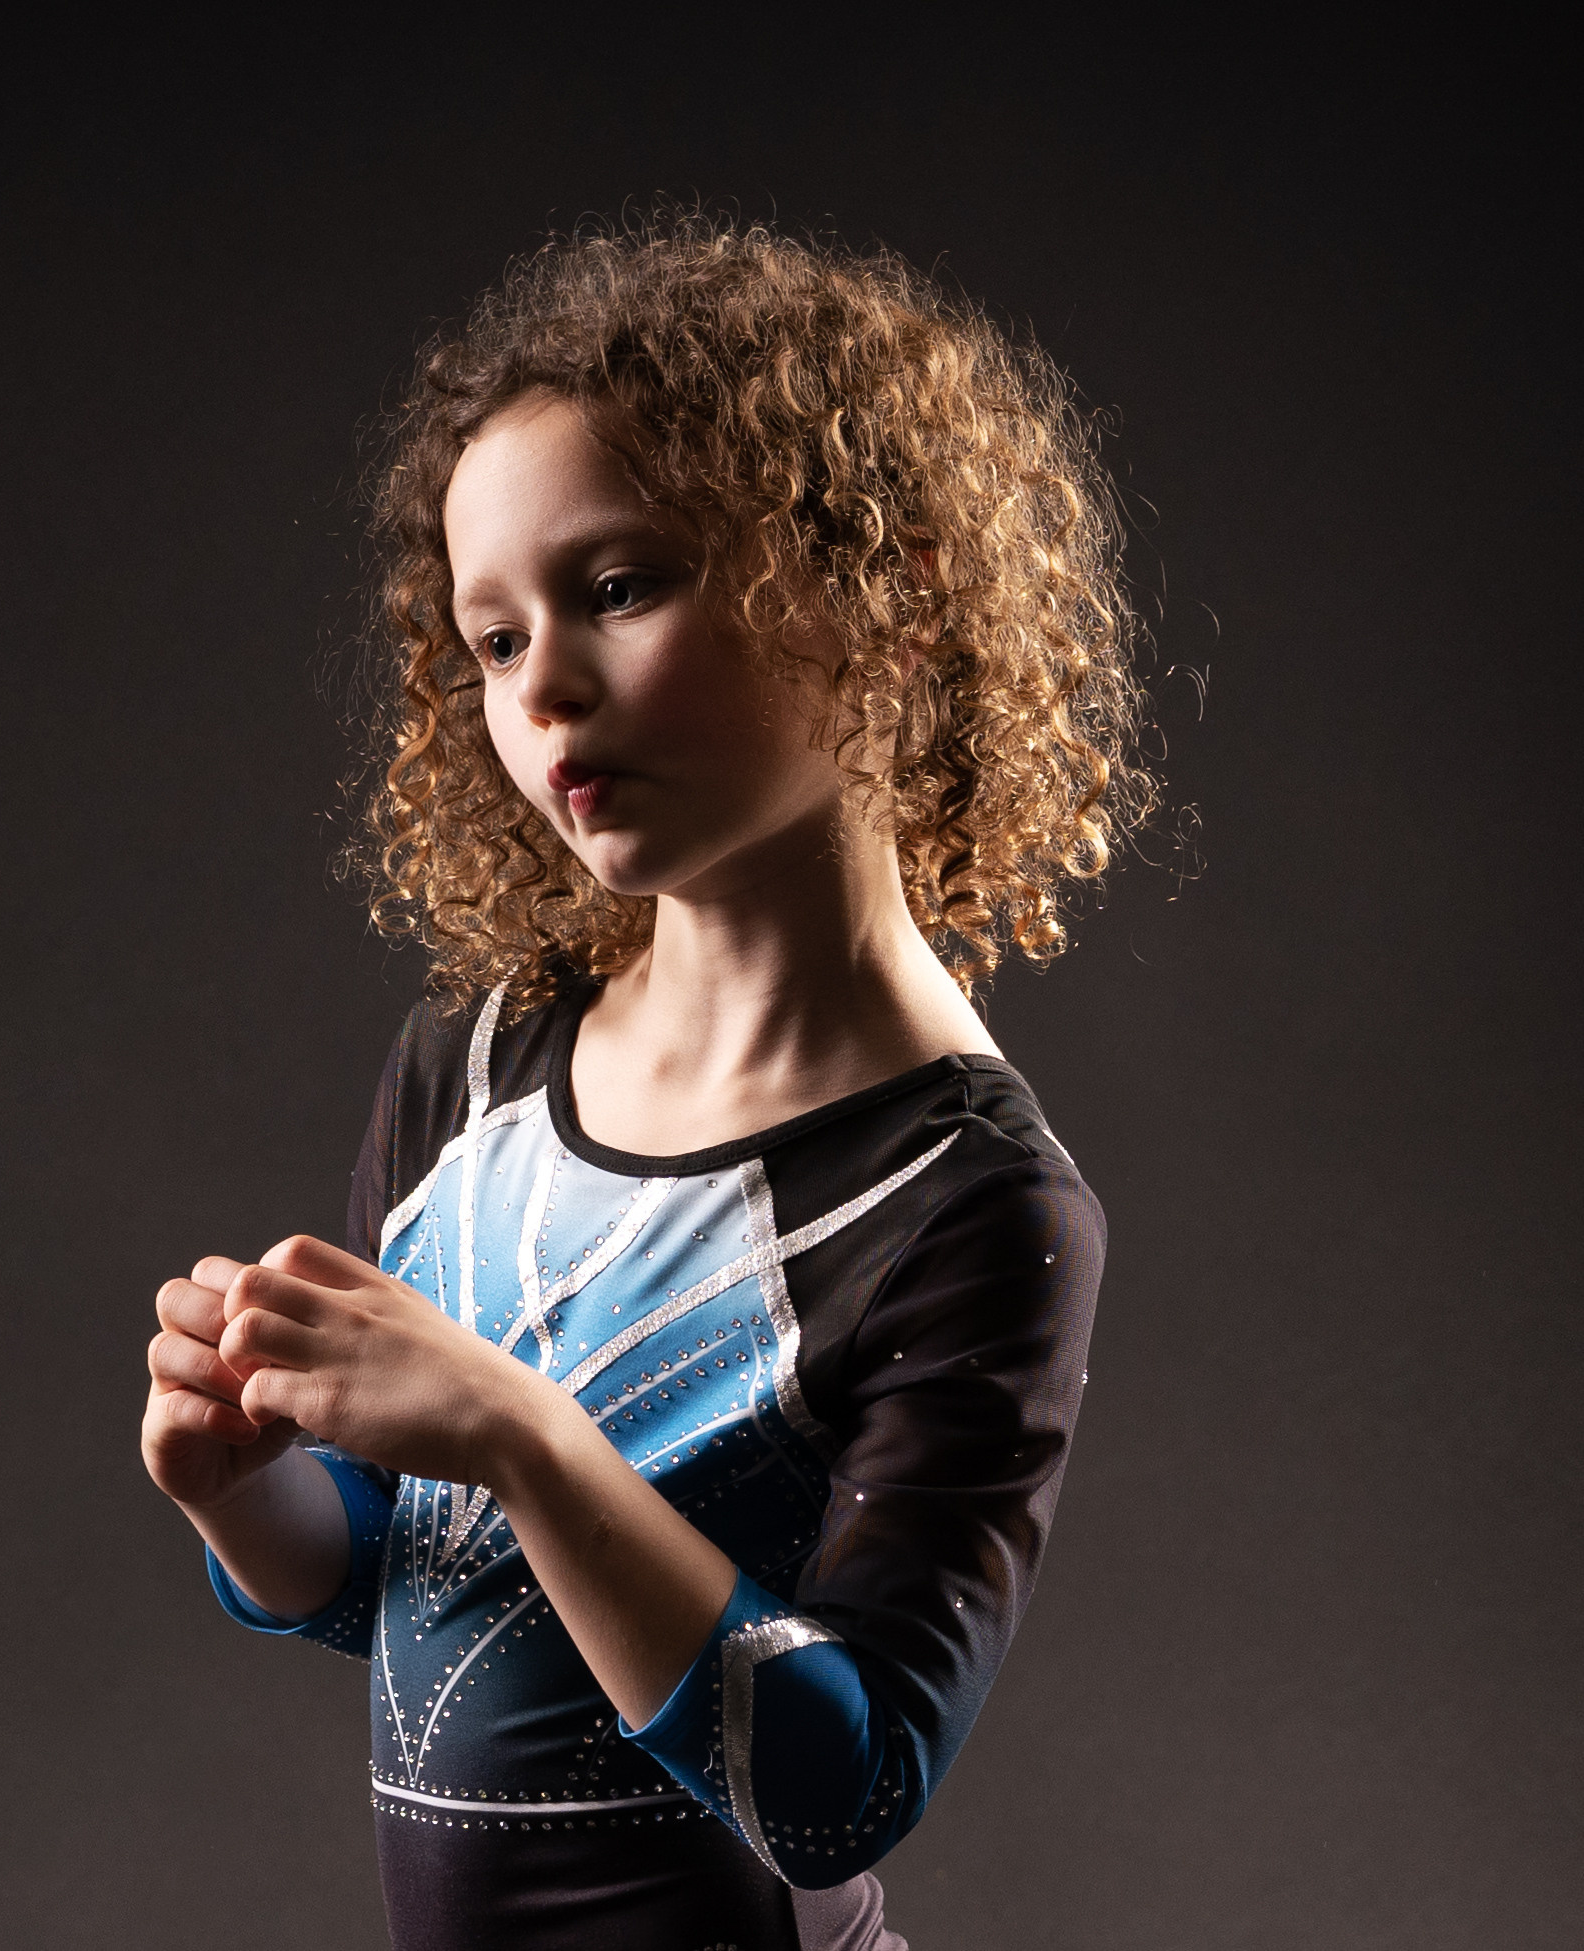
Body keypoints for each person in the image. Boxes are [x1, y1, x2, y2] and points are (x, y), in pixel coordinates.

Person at [140, 217, 1150, 1951]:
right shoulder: (469, 1061)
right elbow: (402, 1583)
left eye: (619, 588)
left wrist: (526, 1434)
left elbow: (841, 1785)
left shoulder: (970, 1200)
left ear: (888, 593)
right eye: (492, 639)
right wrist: (246, 1491)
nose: (546, 694)